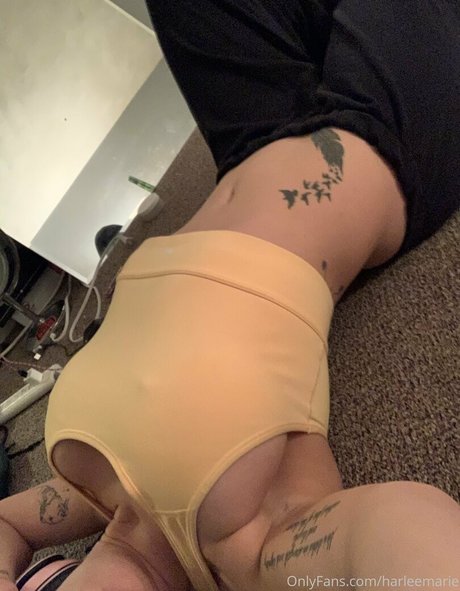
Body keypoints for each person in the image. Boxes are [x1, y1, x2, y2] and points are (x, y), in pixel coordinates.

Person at [1, 1, 459, 590]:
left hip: (249, 140)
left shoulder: (85, 494)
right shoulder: (251, 550)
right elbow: (407, 541)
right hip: (376, 141)